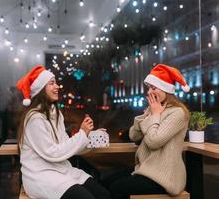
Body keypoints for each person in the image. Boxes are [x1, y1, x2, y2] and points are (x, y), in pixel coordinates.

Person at [16, 65, 111, 199]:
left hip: (61, 170)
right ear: (41, 89)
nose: (57, 87)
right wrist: (82, 134)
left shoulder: (56, 114)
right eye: (52, 83)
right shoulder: (34, 119)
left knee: (103, 194)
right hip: (41, 176)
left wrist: (89, 136)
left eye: (56, 82)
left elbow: (66, 145)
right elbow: (53, 153)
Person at [107, 64, 191, 199]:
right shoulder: (156, 109)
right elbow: (133, 135)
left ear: (165, 89)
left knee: (116, 188)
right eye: (148, 88)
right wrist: (146, 115)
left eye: (153, 88)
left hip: (165, 178)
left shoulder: (178, 113)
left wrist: (155, 116)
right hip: (147, 170)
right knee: (106, 181)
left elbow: (154, 141)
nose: (149, 92)